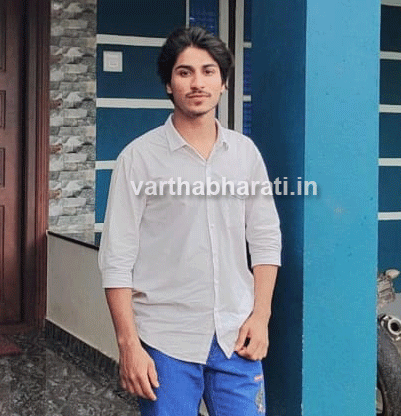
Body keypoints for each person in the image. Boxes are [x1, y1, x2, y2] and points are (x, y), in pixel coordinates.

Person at [98, 26, 282, 416]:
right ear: (169, 84)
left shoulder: (245, 154)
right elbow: (116, 258)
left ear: (224, 82)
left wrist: (261, 316)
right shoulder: (138, 159)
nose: (197, 82)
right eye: (185, 72)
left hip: (237, 335)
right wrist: (129, 345)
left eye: (208, 71)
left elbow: (266, 238)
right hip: (165, 340)